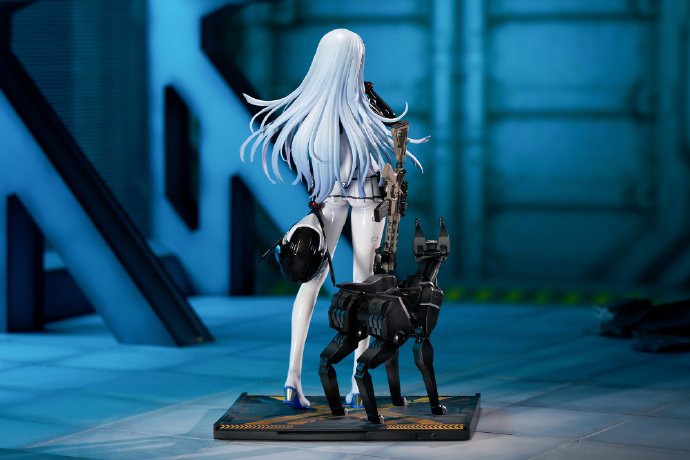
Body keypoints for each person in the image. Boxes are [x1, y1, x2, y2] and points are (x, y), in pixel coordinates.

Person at [240, 28, 426, 409]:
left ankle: (292, 379)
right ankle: (357, 383)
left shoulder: (315, 112)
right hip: (364, 196)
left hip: (328, 198)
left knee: (310, 285)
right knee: (365, 284)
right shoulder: (361, 110)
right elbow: (394, 139)